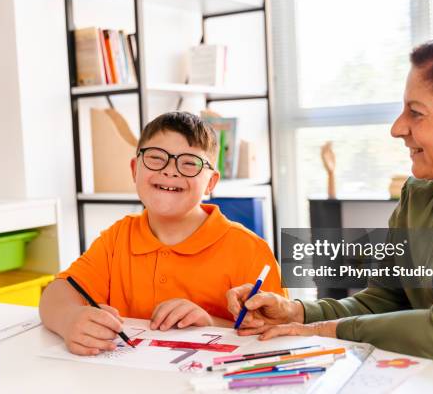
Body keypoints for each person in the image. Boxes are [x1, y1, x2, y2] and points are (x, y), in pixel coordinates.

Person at [226, 34, 433, 391]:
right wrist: (298, 312)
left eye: (416, 112)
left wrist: (327, 329)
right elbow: (383, 300)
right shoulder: (418, 199)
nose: (397, 128)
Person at [40, 111, 286, 356]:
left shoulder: (251, 251)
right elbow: (56, 294)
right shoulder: (116, 238)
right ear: (135, 169)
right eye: (156, 158)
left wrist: (210, 323)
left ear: (211, 182)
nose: (170, 170)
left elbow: (281, 333)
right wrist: (70, 319)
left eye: (189, 162)